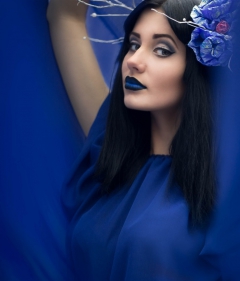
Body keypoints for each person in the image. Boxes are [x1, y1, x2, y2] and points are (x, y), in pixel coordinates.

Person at [47, 0, 227, 279]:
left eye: (161, 50)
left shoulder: (232, 187)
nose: (133, 61)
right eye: (133, 44)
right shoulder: (111, 155)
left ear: (199, 69)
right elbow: (63, 17)